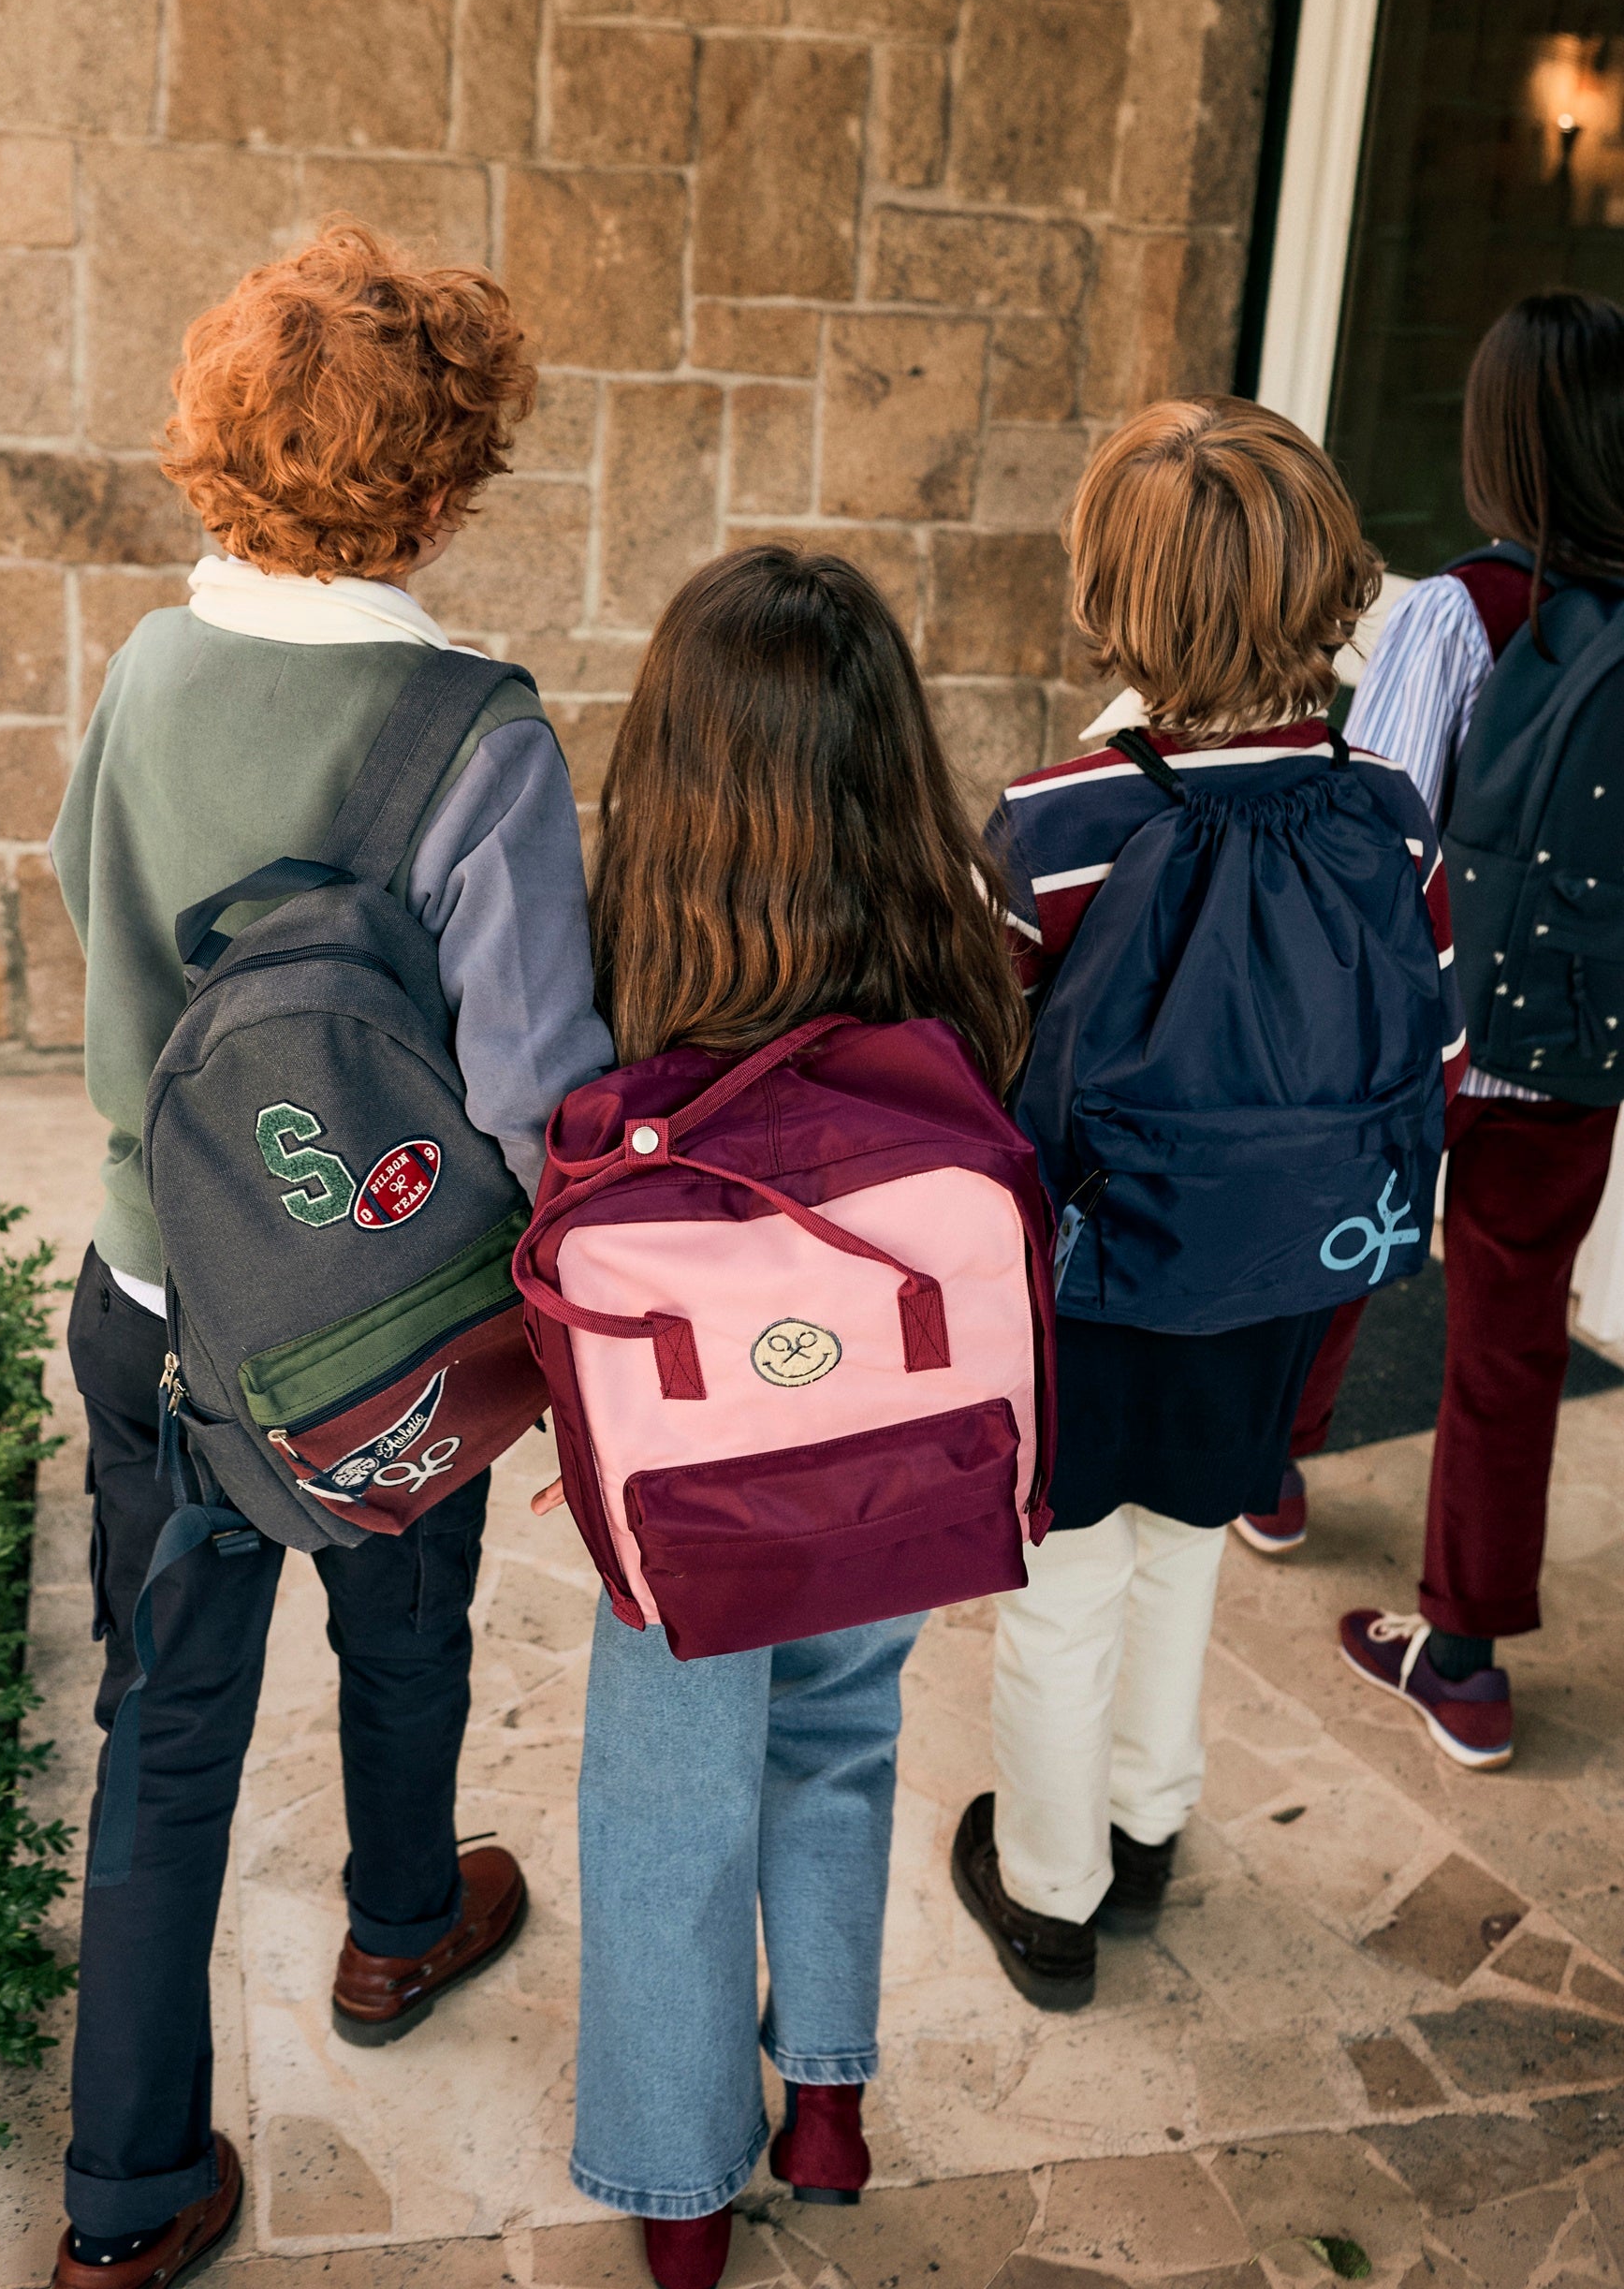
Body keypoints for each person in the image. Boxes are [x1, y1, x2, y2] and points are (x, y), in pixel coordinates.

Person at [47, 221, 613, 2289]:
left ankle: (124, 2197)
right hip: (382, 1328)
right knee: (407, 1620)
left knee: (165, 1728)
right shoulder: (476, 733)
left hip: (155, 1298)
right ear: (449, 477)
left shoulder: (141, 666)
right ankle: (396, 1922)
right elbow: (545, 1091)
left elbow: (83, 899)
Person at [529, 545, 1031, 2289]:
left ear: (673, 761)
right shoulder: (956, 935)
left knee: (667, 1799)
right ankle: (826, 2101)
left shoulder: (622, 942)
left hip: (689, 1470)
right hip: (895, 1445)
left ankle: (678, 2190)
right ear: (890, 757)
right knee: (842, 1739)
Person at [954, 398, 1466, 2008]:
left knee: (1063, 1585)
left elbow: (977, 1081)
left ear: (1115, 592)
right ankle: (1149, 1812)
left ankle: (1047, 1886)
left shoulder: (1055, 826)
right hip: (1295, 1267)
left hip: (1098, 1286)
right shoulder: (1389, 809)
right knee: (1189, 1540)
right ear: (1331, 584)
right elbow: (1434, 1032)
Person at [1244, 291, 1624, 1768]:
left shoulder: (1462, 610)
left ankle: (1268, 1465)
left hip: (1428, 1027)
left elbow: (1377, 828)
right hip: (1580, 1044)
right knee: (1513, 1329)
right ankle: (1459, 1657)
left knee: (1348, 1236)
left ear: (1496, 441)